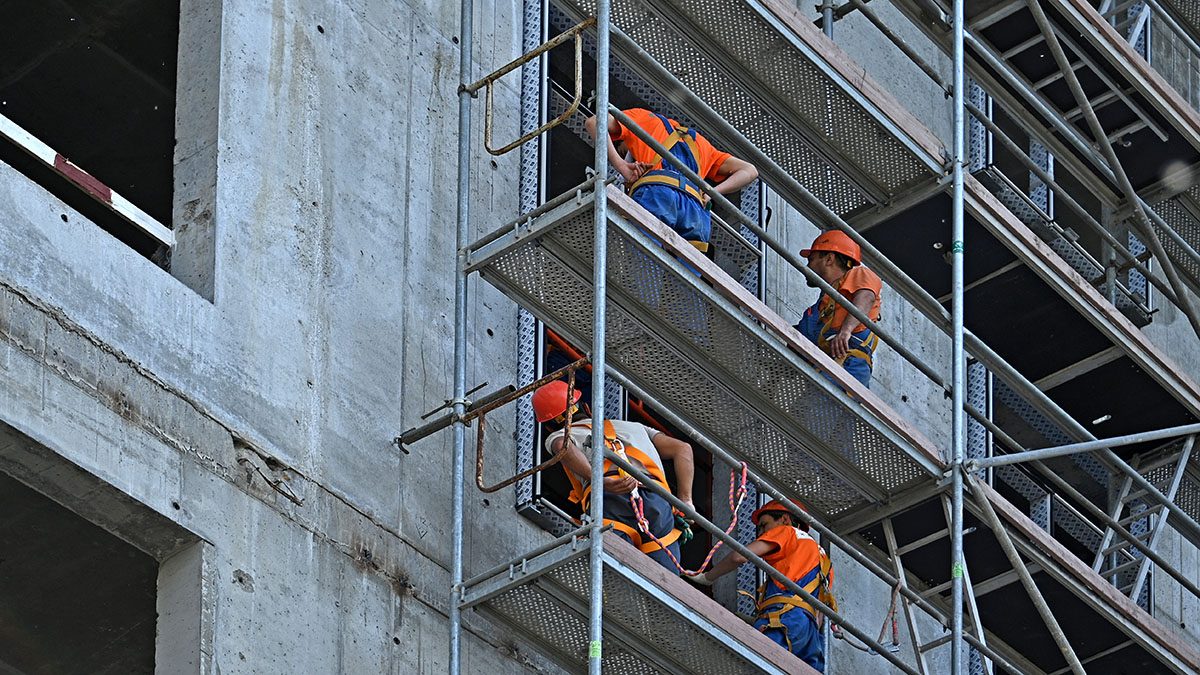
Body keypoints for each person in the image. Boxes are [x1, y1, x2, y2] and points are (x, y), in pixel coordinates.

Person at [533, 379, 695, 574]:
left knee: (617, 570)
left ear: (550, 426)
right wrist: (685, 500)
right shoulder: (634, 427)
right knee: (666, 578)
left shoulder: (560, 435)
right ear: (585, 406)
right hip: (656, 498)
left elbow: (563, 446)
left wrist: (601, 482)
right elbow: (682, 449)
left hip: (611, 499)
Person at [585, 108, 758, 254]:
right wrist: (712, 192)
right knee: (687, 281)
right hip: (695, 210)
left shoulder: (643, 117)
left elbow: (594, 122)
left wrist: (621, 165)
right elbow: (750, 171)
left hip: (658, 195)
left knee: (642, 264)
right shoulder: (702, 144)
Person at [690, 499, 836, 672]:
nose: (760, 534)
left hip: (784, 621)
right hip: (810, 636)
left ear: (784, 519)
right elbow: (819, 617)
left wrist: (707, 578)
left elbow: (739, 556)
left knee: (759, 667)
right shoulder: (823, 559)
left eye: (764, 525)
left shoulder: (788, 532)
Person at [795, 230, 882, 388]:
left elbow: (866, 297)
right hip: (825, 371)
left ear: (829, 259)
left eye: (811, 259)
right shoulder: (821, 305)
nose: (807, 266)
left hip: (846, 366)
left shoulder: (858, 274)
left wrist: (846, 331)